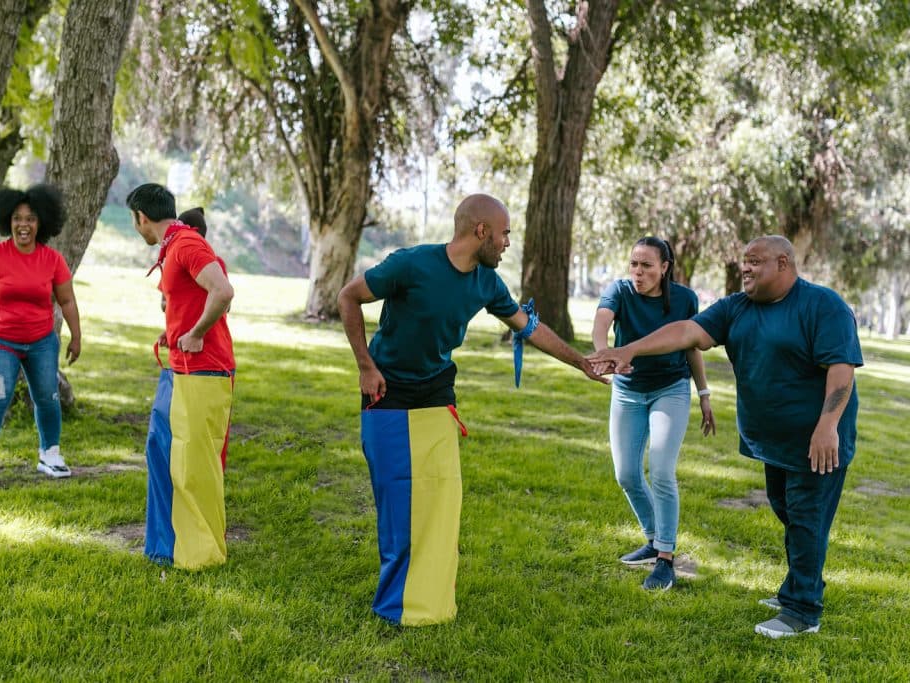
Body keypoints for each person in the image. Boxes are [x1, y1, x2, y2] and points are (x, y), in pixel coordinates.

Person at [338, 193, 608, 626]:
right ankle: (396, 604)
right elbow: (348, 297)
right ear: (480, 231)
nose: (506, 243)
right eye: (503, 234)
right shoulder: (411, 264)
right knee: (398, 502)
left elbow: (530, 328)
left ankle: (431, 601)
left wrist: (582, 362)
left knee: (441, 499)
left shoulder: (487, 282)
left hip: (437, 393)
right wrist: (365, 366)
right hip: (387, 389)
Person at [588, 235, 861, 638]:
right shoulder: (737, 307)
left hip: (817, 440)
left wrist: (828, 425)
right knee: (789, 513)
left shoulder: (822, 305)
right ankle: (798, 589)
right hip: (775, 443)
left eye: (755, 262)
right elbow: (685, 331)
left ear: (783, 263)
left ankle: (802, 611)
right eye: (743, 262)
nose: (745, 269)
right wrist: (629, 350)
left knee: (806, 519)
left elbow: (841, 370)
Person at [592, 236, 716, 591]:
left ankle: (665, 559)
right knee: (627, 474)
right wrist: (606, 356)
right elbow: (601, 325)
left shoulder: (684, 299)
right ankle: (653, 538)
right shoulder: (619, 291)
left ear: (664, 268)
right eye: (634, 263)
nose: (638, 272)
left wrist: (704, 393)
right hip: (628, 392)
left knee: (661, 469)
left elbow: (692, 346)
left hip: (670, 389)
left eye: (647, 265)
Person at [128, 184, 236, 570]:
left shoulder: (187, 244)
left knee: (194, 463)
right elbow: (190, 298)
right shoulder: (173, 247)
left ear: (141, 216)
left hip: (203, 369)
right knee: (161, 453)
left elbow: (222, 292)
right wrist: (175, 329)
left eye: (134, 221)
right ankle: (164, 547)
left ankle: (201, 554)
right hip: (178, 367)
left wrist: (196, 333)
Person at [0, 184, 81, 488]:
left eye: (30, 219)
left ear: (41, 222)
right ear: (8, 221)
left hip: (41, 340)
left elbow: (67, 300)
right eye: (17, 218)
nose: (23, 225)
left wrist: (76, 336)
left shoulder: (52, 259)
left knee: (47, 396)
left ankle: (50, 454)